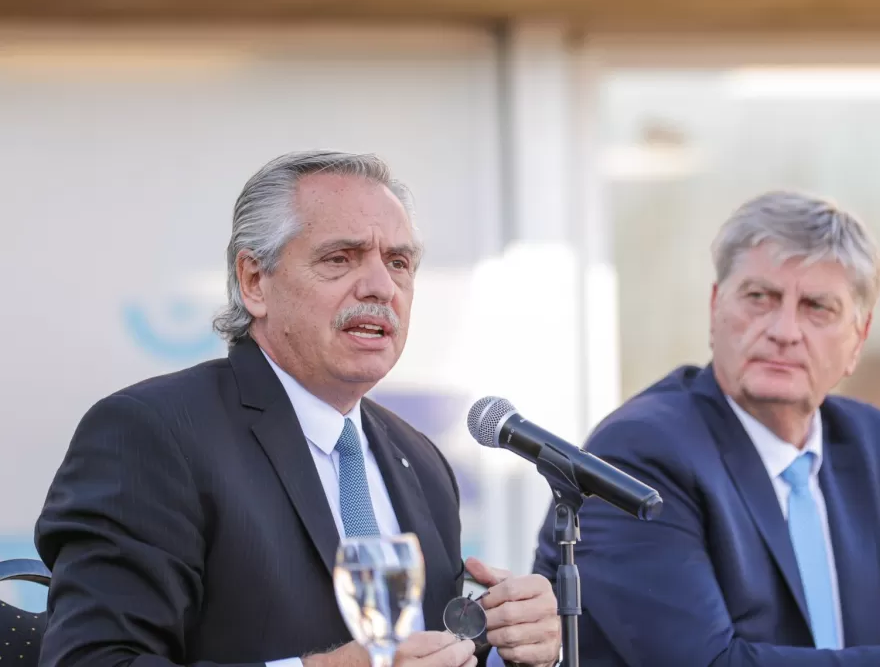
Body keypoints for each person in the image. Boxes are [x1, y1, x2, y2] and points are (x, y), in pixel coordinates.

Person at [35, 151, 562, 667]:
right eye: (340, 258)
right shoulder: (152, 433)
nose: (381, 286)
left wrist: (510, 640)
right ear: (254, 282)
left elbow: (418, 650)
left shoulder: (420, 462)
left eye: (398, 263)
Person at [531, 191, 880, 667]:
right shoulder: (642, 451)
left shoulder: (872, 445)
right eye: (759, 298)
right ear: (715, 307)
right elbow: (707, 663)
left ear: (858, 339)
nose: (784, 330)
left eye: (817, 307)